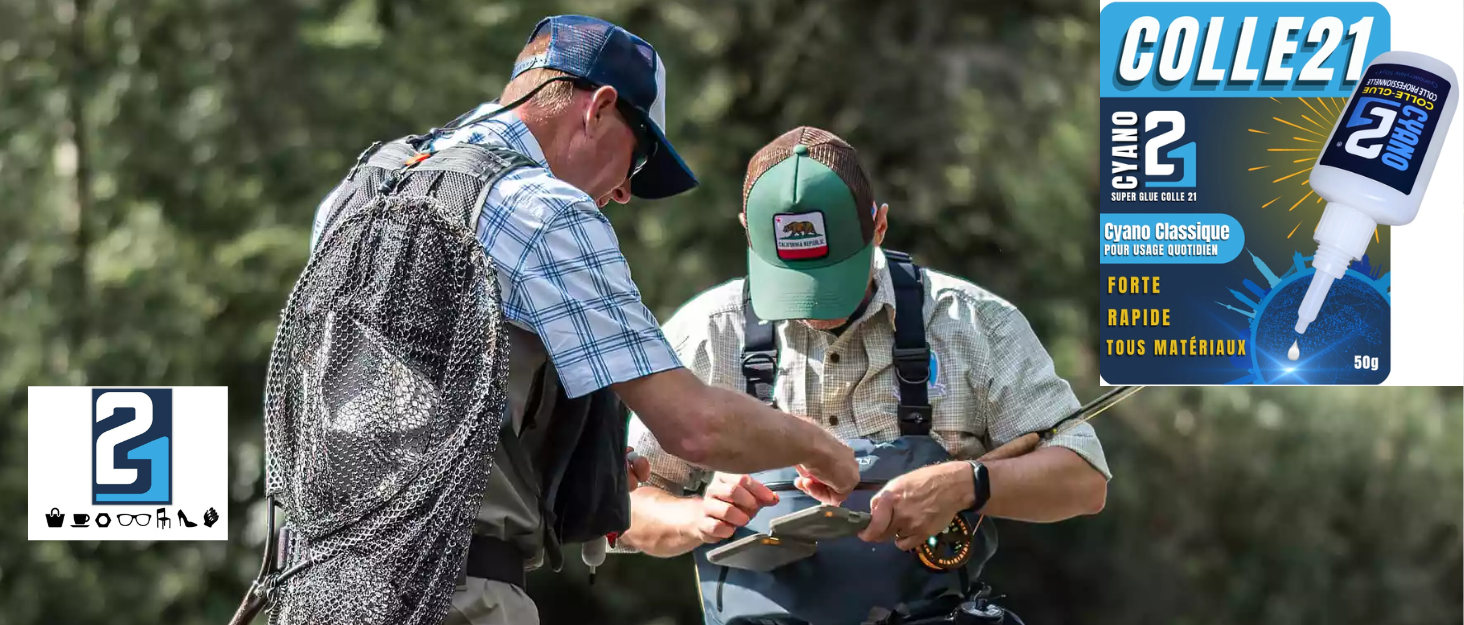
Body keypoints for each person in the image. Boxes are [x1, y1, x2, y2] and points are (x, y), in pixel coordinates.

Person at [306, 19, 859, 625]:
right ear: (598, 109)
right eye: (637, 160)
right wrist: (822, 449)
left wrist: (559, 452)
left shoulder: (366, 186)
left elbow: (393, 406)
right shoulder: (543, 208)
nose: (623, 193)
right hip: (451, 592)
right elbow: (694, 428)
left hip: (318, 586)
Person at [617, 127, 1111, 624]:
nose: (814, 302)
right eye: (793, 280)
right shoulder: (707, 333)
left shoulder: (975, 325)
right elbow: (623, 504)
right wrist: (695, 517)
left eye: (833, 274)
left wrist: (970, 484)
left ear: (879, 225)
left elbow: (1085, 480)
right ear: (747, 231)